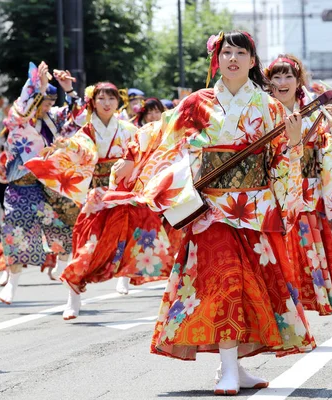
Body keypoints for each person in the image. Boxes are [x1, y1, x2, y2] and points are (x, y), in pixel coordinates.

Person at [107, 31, 315, 395]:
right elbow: (160, 134)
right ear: (216, 60)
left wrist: (295, 142)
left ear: (253, 61)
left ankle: (231, 366)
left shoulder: (269, 107)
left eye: (240, 52)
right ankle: (230, 368)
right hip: (211, 209)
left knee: (251, 287)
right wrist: (130, 155)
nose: (232, 58)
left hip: (253, 207)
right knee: (225, 282)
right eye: (226, 52)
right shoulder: (195, 103)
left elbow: (281, 158)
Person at [25, 82, 173, 319]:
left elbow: (147, 150)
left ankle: (134, 278)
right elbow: (78, 148)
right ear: (93, 102)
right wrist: (63, 147)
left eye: (111, 99)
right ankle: (73, 289)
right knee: (88, 244)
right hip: (96, 194)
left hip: (122, 191)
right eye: (102, 99)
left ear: (118, 102)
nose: (106, 103)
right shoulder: (87, 131)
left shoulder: (127, 129)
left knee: (133, 235)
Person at [265, 54, 332, 315]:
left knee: (306, 247)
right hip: (275, 189)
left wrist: (329, 129)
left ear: (299, 81)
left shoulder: (314, 109)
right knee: (281, 248)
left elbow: (324, 149)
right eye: (276, 77)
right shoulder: (262, 109)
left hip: (307, 189)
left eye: (289, 77)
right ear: (268, 82)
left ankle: (300, 303)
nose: (283, 82)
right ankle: (284, 303)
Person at [0, 62, 79, 304]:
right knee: (17, 227)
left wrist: (69, 90)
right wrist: (38, 87)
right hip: (22, 183)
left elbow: (80, 117)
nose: (46, 105)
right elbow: (22, 111)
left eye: (50, 101)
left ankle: (61, 266)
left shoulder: (54, 118)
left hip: (51, 184)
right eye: (42, 99)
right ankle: (12, 282)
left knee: (63, 229)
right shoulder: (16, 118)